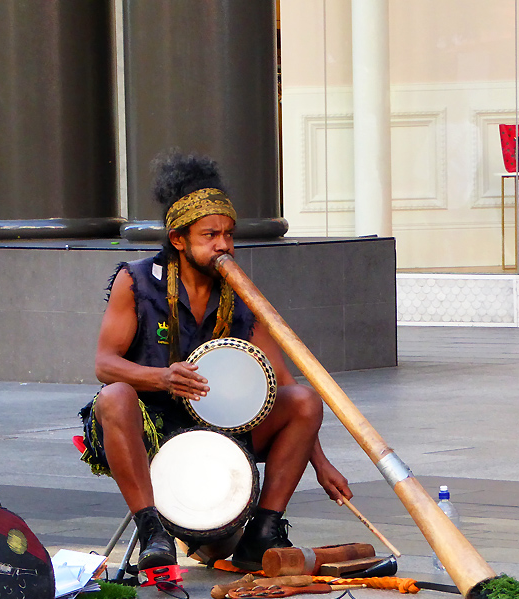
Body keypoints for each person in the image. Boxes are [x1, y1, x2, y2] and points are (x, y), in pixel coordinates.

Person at [78, 151, 352, 572]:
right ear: (178, 239)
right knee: (113, 396)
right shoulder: (134, 281)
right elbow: (104, 364)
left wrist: (320, 460)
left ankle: (261, 533)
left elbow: (282, 381)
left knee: (305, 401)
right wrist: (163, 377)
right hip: (150, 425)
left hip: (222, 428)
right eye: (209, 235)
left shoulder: (241, 294)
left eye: (228, 234)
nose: (223, 244)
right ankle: (153, 532)